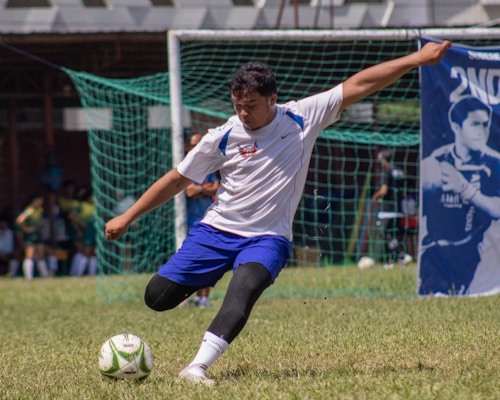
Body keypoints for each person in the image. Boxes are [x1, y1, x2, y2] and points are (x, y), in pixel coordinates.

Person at [105, 40, 450, 385]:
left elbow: (360, 83)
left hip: (267, 237)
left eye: (251, 106)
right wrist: (128, 216)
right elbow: (176, 179)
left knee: (244, 291)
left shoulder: (302, 117)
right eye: (238, 105)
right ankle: (210, 272)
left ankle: (196, 368)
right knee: (157, 298)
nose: (243, 113)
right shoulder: (221, 137)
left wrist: (418, 58)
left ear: (273, 99)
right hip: (216, 232)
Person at [419, 95, 500, 296]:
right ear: (456, 127)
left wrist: (464, 187)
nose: (481, 132)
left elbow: (497, 210)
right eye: (474, 124)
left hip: (478, 252)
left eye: (485, 125)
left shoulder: (493, 163)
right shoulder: (435, 162)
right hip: (438, 253)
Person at [184, 133, 220, 308]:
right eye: (194, 144)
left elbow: (216, 188)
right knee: (189, 260)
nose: (197, 147)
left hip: (207, 220)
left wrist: (200, 189)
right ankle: (184, 296)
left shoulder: (209, 168)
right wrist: (204, 189)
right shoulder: (185, 167)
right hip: (187, 222)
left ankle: (203, 298)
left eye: (200, 143)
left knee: (207, 258)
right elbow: (189, 191)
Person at [371, 149, 412, 269]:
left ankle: (402, 254)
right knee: (394, 235)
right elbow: (404, 192)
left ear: (383, 159)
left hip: (387, 209)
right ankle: (391, 261)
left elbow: (384, 190)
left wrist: (376, 196)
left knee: (384, 233)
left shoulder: (387, 171)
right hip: (398, 208)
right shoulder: (400, 171)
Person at [15, 193, 49, 279]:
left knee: (41, 254)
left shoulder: (40, 210)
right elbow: (20, 219)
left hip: (38, 235)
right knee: (29, 255)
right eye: (40, 200)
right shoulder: (29, 210)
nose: (41, 202)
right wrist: (26, 228)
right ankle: (28, 276)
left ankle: (44, 275)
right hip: (30, 236)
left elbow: (40, 220)